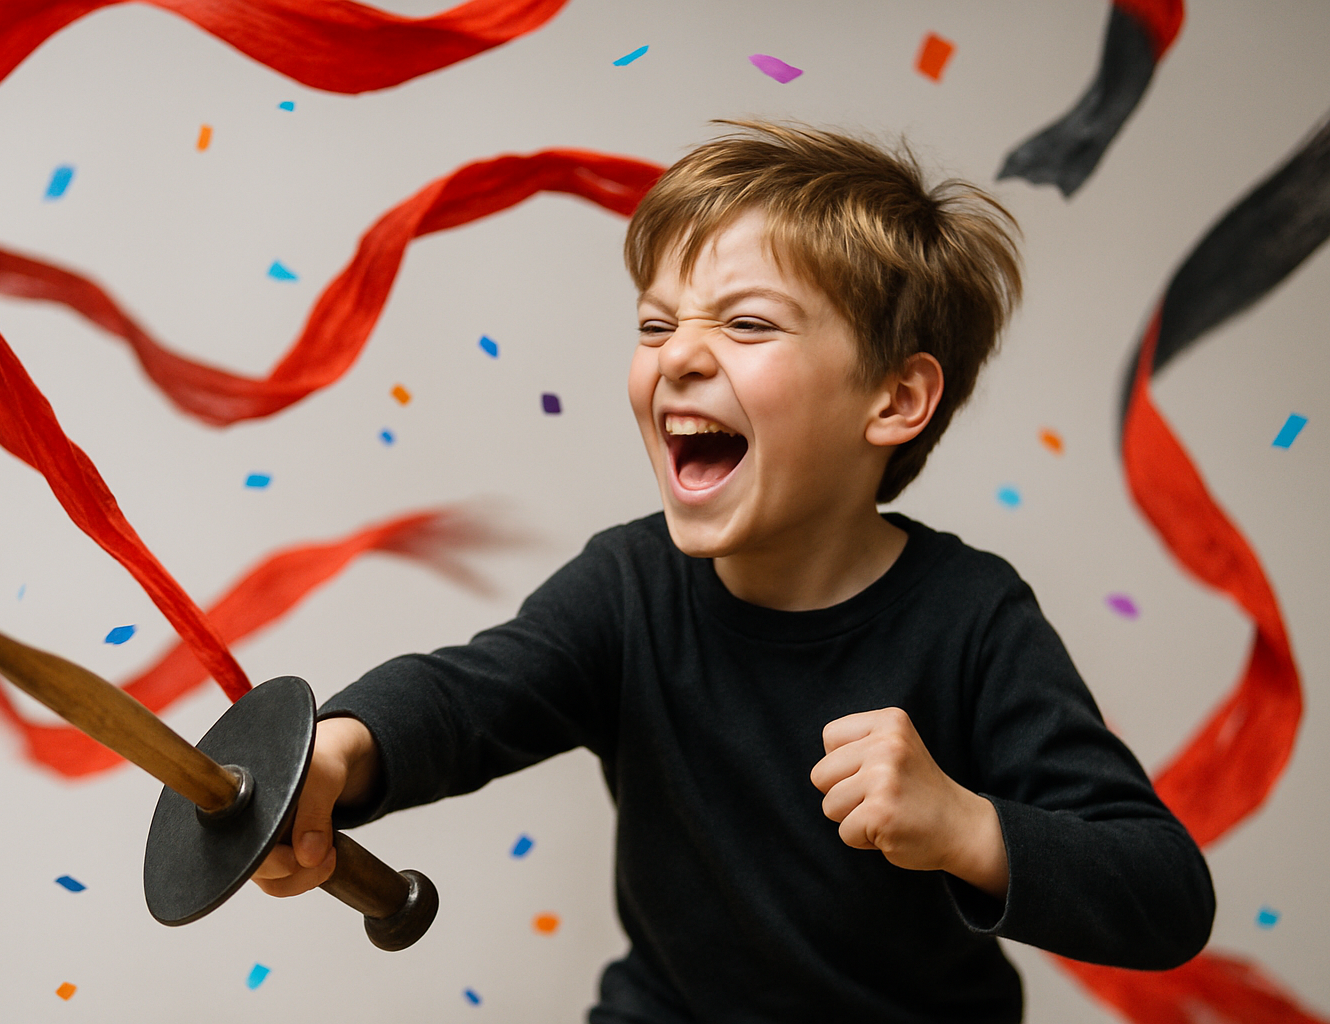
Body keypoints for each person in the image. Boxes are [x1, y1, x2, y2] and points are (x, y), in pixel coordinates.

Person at [252, 121, 1214, 1023]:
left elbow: (1165, 894)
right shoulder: (630, 586)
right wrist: (337, 752)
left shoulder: (974, 617)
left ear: (895, 397)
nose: (680, 359)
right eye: (657, 324)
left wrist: (967, 826)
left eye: (748, 326)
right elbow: (472, 695)